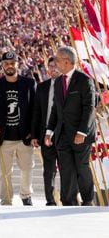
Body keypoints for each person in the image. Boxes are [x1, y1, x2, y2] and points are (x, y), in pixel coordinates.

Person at [45, 46, 96, 206]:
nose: (55, 63)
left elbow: (89, 108)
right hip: (62, 135)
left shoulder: (84, 80)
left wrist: (82, 131)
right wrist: (49, 131)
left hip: (80, 135)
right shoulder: (59, 82)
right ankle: (68, 201)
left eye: (57, 60)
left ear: (66, 61)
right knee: (66, 169)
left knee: (82, 168)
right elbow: (55, 108)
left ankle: (87, 201)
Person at [0, 51, 36, 206]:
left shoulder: (29, 83)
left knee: (27, 169)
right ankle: (6, 199)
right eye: (6, 64)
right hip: (4, 136)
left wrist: (34, 131)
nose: (9, 66)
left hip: (25, 135)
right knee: (4, 172)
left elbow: (35, 109)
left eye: (12, 63)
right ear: (2, 66)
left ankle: (26, 195)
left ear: (18, 64)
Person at [31, 57, 61, 206]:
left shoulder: (68, 85)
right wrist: (35, 135)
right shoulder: (42, 87)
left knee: (67, 169)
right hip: (46, 135)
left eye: (56, 66)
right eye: (50, 66)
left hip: (64, 135)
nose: (53, 68)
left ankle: (68, 199)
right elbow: (36, 113)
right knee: (48, 170)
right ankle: (50, 200)